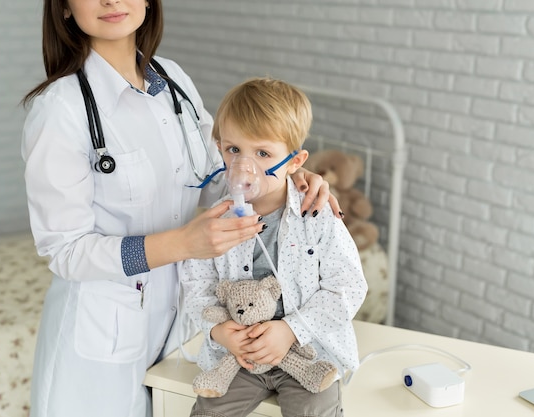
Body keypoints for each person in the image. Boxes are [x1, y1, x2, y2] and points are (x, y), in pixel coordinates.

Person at [20, 1, 341, 417]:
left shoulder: (173, 82)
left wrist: (288, 179)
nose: (112, 1)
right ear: (64, 7)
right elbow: (65, 251)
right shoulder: (60, 109)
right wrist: (182, 244)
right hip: (102, 342)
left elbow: (222, 177)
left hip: (181, 328)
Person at [181, 78, 367, 417]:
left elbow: (348, 286)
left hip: (309, 351)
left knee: (313, 410)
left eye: (263, 153)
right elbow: (196, 285)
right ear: (219, 147)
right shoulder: (215, 222)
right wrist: (220, 332)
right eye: (233, 150)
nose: (243, 167)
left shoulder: (317, 216)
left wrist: (292, 329)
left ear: (295, 162)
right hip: (240, 356)